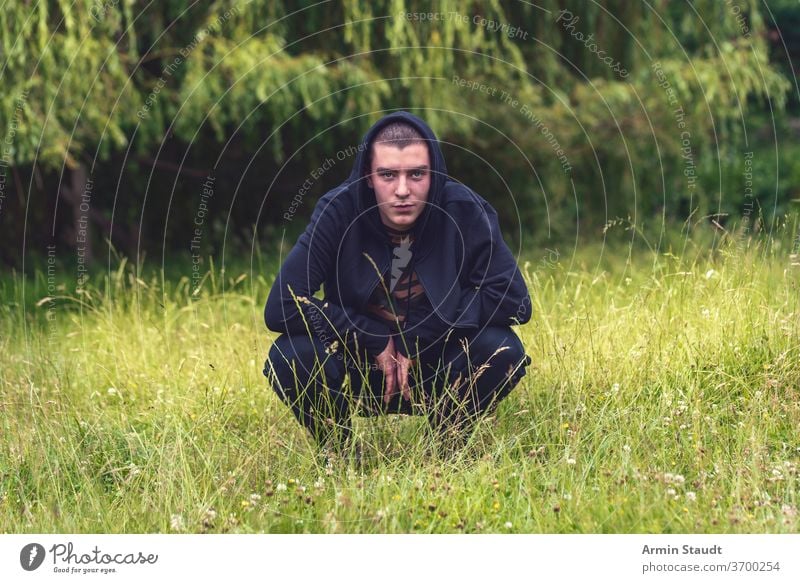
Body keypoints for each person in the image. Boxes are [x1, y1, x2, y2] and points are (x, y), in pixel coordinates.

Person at [263, 111, 532, 451]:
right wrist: (369, 335)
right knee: (290, 354)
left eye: (416, 174)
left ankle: (445, 449)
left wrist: (418, 336)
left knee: (501, 347)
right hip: (358, 367)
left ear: (433, 175)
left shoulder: (464, 210)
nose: (402, 190)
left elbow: (515, 301)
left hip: (436, 366)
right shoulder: (339, 210)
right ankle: (341, 453)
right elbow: (282, 306)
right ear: (368, 176)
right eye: (388, 174)